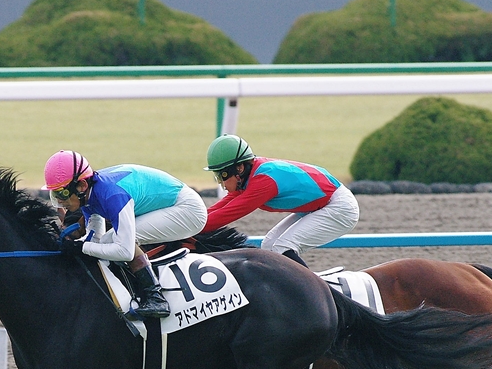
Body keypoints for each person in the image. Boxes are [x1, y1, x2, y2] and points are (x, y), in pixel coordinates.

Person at [43, 150, 208, 319]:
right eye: (55, 194)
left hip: (188, 210)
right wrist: (76, 246)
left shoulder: (112, 194)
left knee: (114, 240)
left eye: (62, 193)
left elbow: (125, 251)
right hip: (170, 205)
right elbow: (96, 240)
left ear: (82, 186)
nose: (60, 200)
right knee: (105, 242)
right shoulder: (88, 196)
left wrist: (81, 247)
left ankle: (156, 298)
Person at [202, 134, 359, 268]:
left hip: (340, 208)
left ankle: (316, 290)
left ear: (240, 169)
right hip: (321, 205)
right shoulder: (249, 177)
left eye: (222, 176)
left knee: (283, 247)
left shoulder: (264, 181)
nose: (221, 184)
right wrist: (194, 221)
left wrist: (192, 228)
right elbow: (222, 206)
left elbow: (227, 214)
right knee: (269, 245)